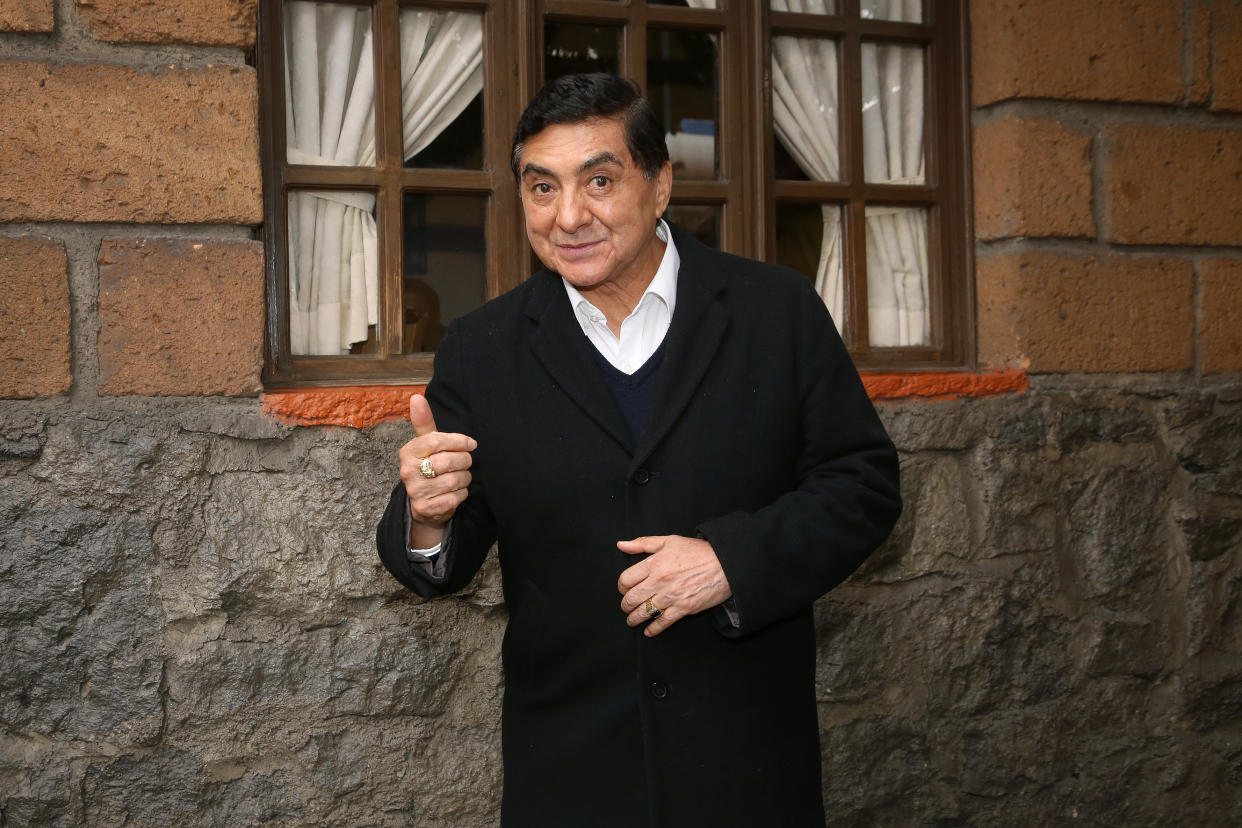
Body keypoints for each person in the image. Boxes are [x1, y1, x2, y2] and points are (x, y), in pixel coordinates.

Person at [376, 73, 901, 827]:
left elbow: (864, 485)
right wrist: (428, 516)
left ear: (660, 187)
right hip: (569, 771)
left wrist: (732, 560)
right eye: (542, 187)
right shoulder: (483, 349)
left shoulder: (775, 312)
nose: (569, 216)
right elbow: (437, 559)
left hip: (745, 761)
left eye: (599, 181)